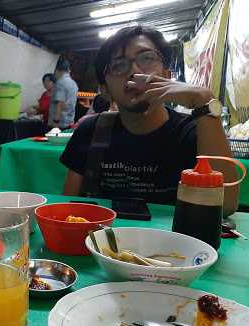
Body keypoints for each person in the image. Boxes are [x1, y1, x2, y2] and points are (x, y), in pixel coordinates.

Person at [60, 25, 239, 216]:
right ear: (104, 90)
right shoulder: (91, 131)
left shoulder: (192, 132)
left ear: (167, 76)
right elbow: (69, 207)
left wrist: (204, 100)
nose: (135, 72)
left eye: (147, 58)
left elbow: (225, 205)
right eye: (118, 65)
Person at [49, 60, 79, 129]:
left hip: (59, 124)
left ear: (57, 70)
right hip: (69, 121)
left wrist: (55, 124)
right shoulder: (74, 83)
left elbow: (60, 104)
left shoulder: (60, 83)